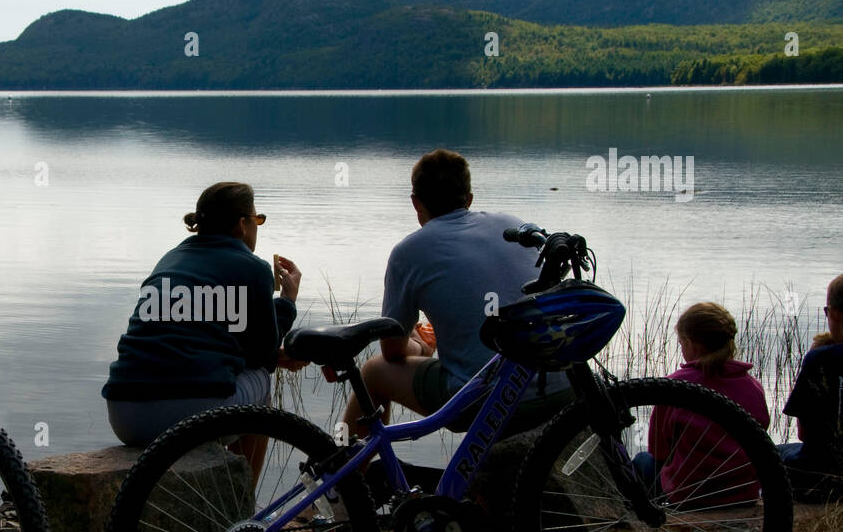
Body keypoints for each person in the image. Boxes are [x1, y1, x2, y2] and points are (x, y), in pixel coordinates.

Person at [339, 148, 571, 439]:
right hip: (564, 390)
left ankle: (344, 480)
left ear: (415, 203)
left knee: (373, 372)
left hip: (489, 403)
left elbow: (392, 351)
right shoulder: (513, 224)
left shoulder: (408, 252)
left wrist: (421, 347)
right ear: (469, 199)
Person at [102, 181, 300, 452]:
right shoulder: (252, 267)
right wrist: (287, 301)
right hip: (192, 419)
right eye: (258, 219)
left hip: (124, 415)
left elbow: (196, 330)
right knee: (259, 379)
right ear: (243, 224)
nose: (257, 227)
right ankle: (241, 495)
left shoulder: (169, 259)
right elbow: (262, 357)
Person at [634, 302, 770, 504]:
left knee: (642, 461)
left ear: (691, 343)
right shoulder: (753, 386)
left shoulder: (673, 387)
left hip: (689, 495)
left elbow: (659, 451)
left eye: (681, 344)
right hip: (743, 494)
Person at [777, 275, 843, 498]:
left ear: (833, 313)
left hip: (820, 478)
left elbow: (805, 434)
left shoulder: (820, 360)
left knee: (773, 453)